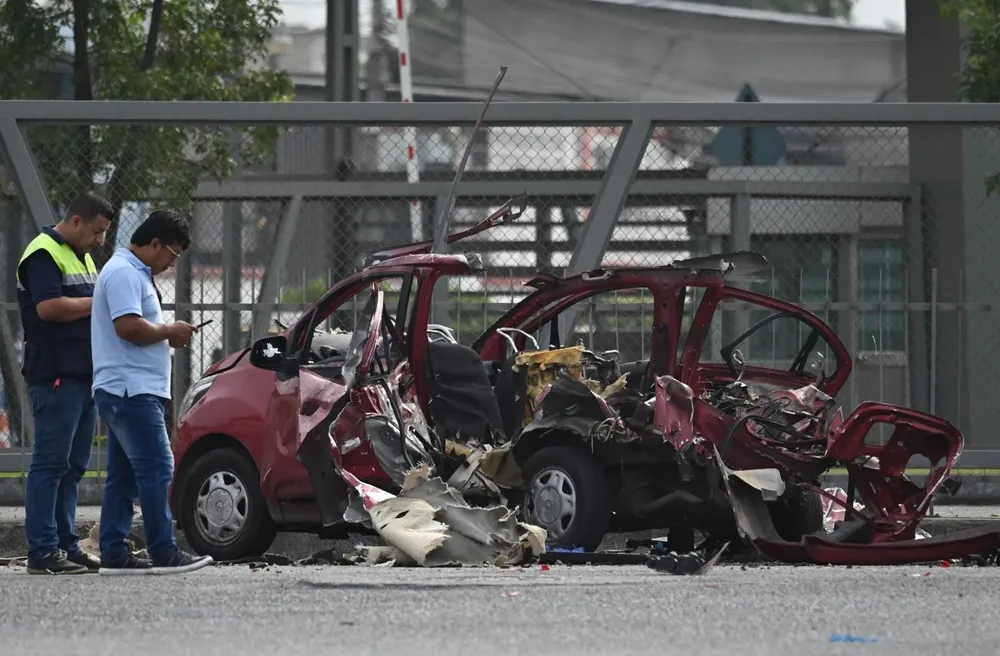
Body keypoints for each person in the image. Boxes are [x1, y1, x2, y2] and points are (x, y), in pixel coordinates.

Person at [90, 209, 212, 575]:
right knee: (159, 466)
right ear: (154, 243)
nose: (171, 265)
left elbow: (137, 328)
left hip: (128, 388)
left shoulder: (130, 271)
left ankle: (113, 552)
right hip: (131, 390)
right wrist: (168, 331)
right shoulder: (125, 273)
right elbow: (128, 327)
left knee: (125, 476)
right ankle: (164, 550)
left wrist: (166, 332)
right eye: (171, 256)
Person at [16, 192, 112, 574]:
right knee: (50, 464)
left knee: (73, 466)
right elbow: (49, 307)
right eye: (96, 232)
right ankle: (42, 551)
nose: (100, 241)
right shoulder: (43, 252)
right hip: (55, 375)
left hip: (82, 375)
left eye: (103, 233)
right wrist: (99, 300)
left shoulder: (81, 254)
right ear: (75, 221)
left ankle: (65, 544)